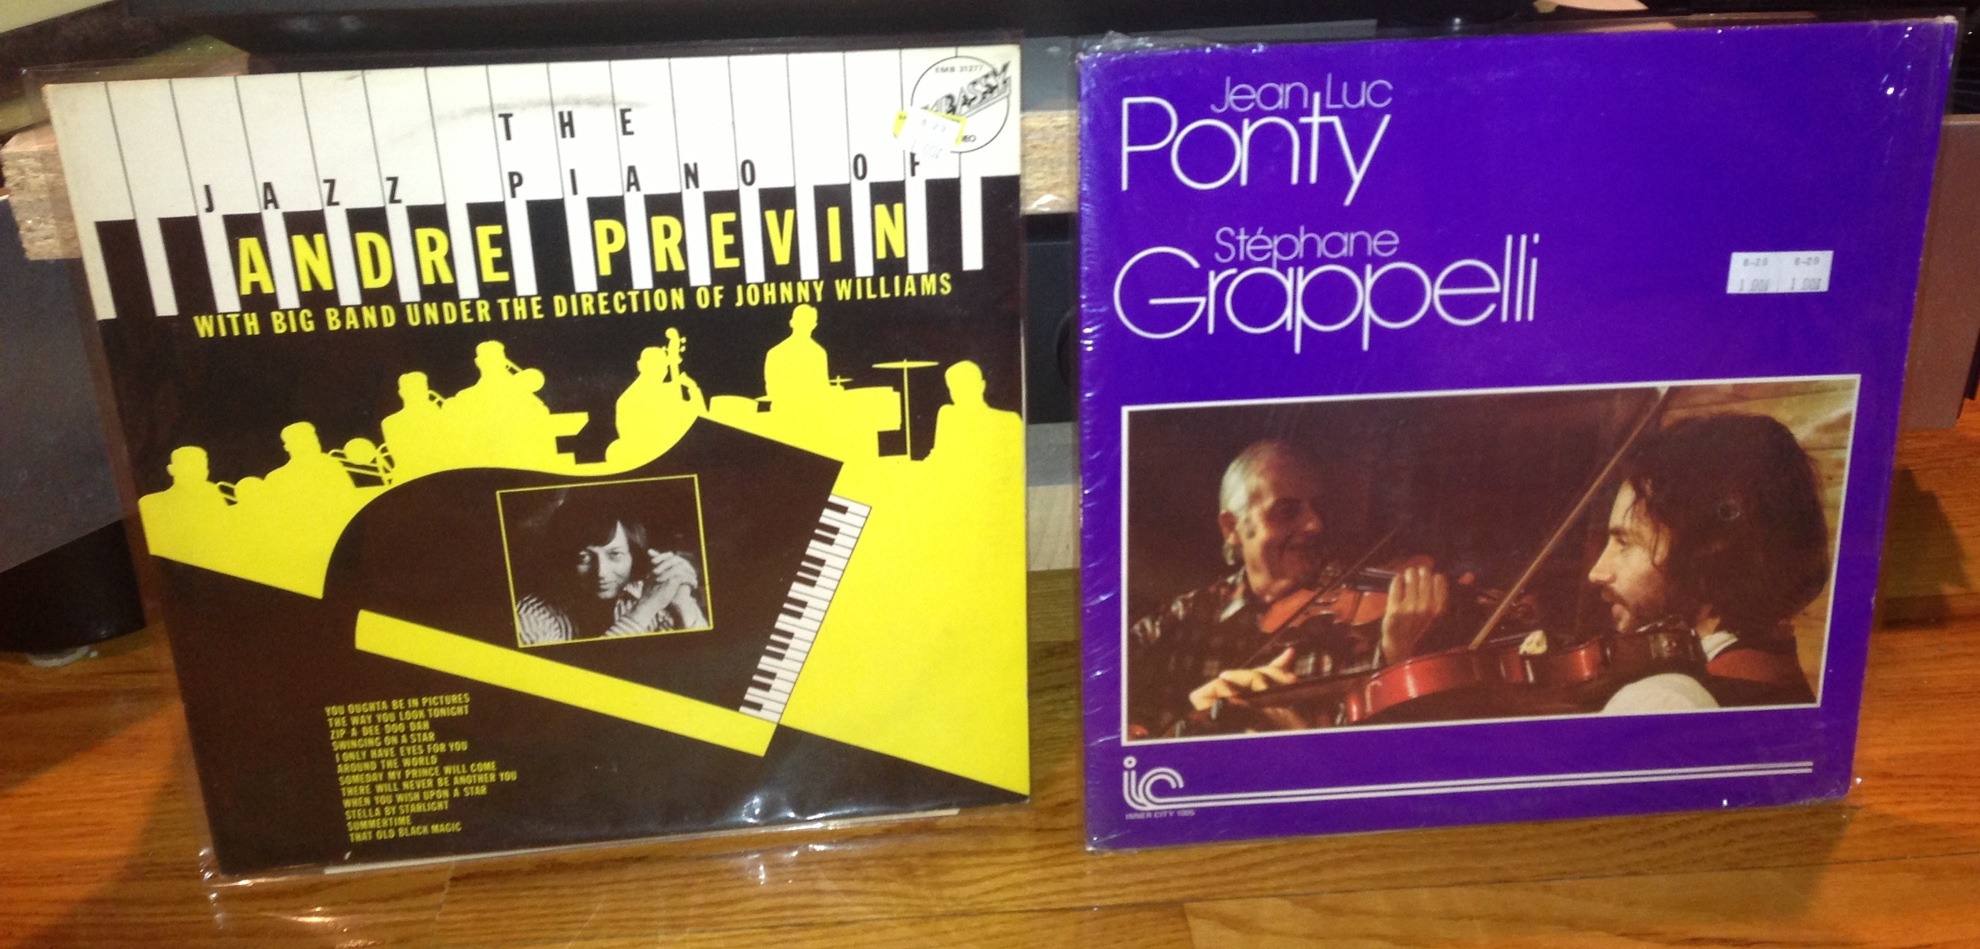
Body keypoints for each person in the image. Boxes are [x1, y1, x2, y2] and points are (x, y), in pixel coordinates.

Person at [1126, 440, 1448, 736]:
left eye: (1315, 507)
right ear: (1232, 527)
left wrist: (1395, 656)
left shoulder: (1366, 626)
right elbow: (1105, 702)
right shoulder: (1181, 620)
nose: (1314, 524)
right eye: (1286, 511)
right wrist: (1180, 729)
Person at [1591, 414, 1827, 712]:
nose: (1597, 572)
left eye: (1625, 542)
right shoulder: (1773, 670)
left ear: (1708, 553)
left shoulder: (1660, 700)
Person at [514, 500, 708, 645]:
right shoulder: (530, 614)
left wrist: (682, 603)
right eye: (584, 558)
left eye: (615, 555)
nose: (601, 572)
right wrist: (645, 608)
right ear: (564, 560)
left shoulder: (656, 593)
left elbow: (699, 661)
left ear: (633, 556)